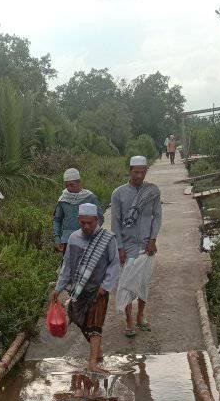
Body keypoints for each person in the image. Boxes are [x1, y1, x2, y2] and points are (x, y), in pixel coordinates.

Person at [53, 202, 120, 372]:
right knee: (79, 321)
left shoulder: (107, 239)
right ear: (79, 220)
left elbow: (114, 265)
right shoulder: (74, 238)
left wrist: (105, 286)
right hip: (78, 289)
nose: (86, 226)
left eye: (90, 223)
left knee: (95, 325)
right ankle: (97, 352)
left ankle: (92, 363)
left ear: (97, 220)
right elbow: (67, 265)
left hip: (98, 290)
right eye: (82, 223)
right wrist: (59, 287)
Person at [111, 155, 162, 337]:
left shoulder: (152, 191)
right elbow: (115, 223)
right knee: (126, 284)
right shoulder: (118, 194)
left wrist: (152, 240)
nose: (139, 176)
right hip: (128, 246)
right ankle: (129, 320)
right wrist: (120, 247)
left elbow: (157, 216)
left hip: (147, 246)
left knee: (144, 283)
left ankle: (141, 316)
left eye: (142, 172)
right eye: (136, 172)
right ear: (130, 171)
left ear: (146, 171)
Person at [52, 168, 103, 253]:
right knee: (68, 264)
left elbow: (100, 218)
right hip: (67, 240)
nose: (69, 188)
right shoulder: (63, 200)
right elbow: (57, 220)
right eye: (67, 185)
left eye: (72, 185)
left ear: (79, 182)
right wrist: (57, 238)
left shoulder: (90, 197)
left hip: (87, 240)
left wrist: (92, 232)